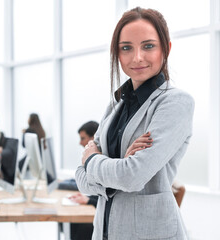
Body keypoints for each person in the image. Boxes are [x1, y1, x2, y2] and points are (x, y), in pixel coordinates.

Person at [75, 7, 194, 240]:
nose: (137, 57)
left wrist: (91, 159)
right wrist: (117, 169)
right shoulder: (116, 104)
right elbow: (81, 178)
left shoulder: (175, 103)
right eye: (126, 48)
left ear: (166, 49)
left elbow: (132, 176)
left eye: (148, 46)